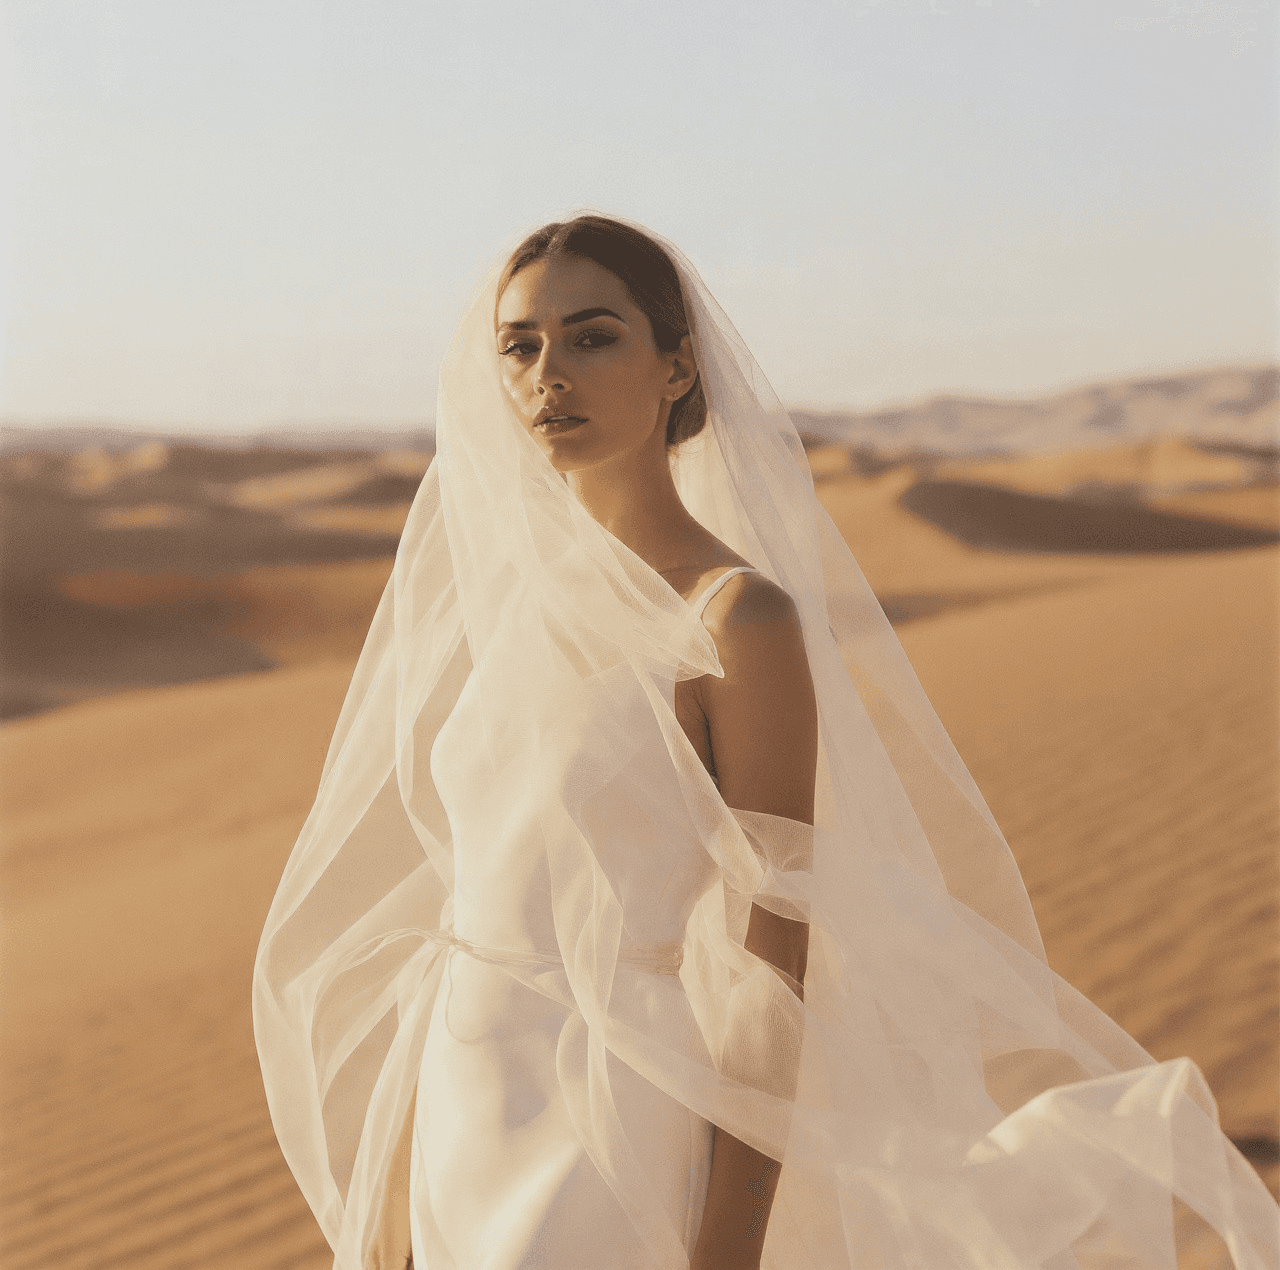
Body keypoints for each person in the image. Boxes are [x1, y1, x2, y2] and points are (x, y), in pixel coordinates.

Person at [253, 214, 1279, 1270]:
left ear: (675, 366)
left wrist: (728, 1242)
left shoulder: (734, 619)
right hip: (459, 1114)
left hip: (608, 1117)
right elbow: (466, 921)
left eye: (592, 336)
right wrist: (387, 1197)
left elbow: (770, 967)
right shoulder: (505, 609)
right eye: (519, 344)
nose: (545, 373)